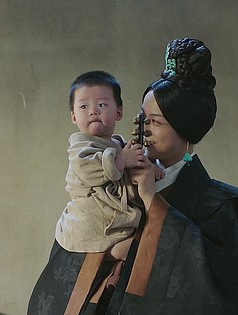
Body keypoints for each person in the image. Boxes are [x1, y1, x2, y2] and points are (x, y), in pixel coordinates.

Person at [27, 38, 238, 315]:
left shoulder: (214, 205)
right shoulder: (113, 173)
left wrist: (152, 200)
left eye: (157, 122)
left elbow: (213, 300)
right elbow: (71, 251)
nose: (145, 129)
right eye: (144, 118)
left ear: (184, 128)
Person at [55, 71, 161, 260]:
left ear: (118, 112)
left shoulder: (119, 143)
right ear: (74, 117)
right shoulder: (80, 146)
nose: (93, 111)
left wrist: (150, 167)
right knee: (133, 247)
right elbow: (88, 169)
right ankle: (110, 252)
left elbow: (135, 159)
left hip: (113, 212)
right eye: (84, 106)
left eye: (102, 105)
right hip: (92, 215)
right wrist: (121, 160)